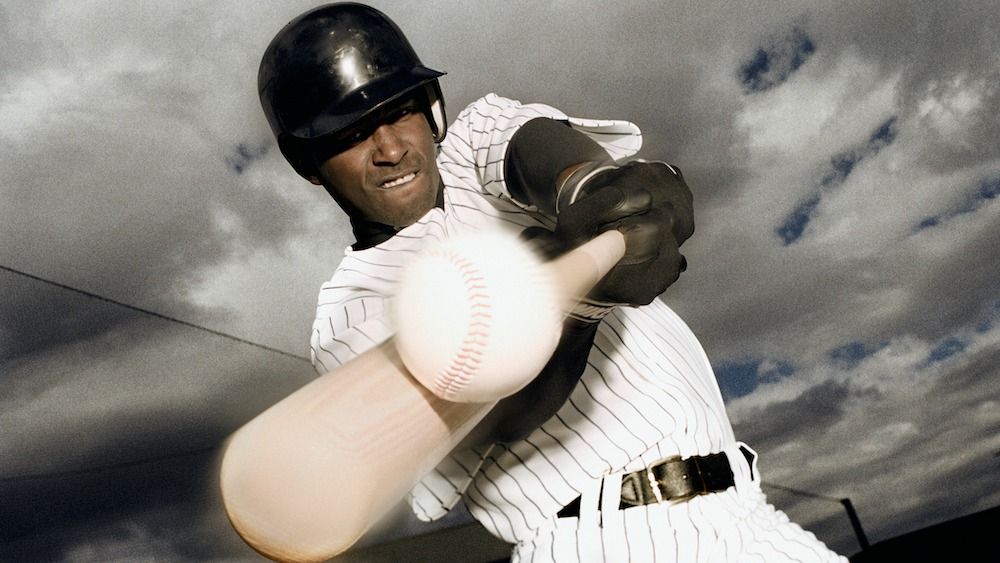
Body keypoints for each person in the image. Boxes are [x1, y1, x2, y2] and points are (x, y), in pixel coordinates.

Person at [257, 3, 847, 561]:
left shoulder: (469, 145)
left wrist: (600, 194)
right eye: (351, 135)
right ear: (308, 163)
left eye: (397, 113)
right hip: (607, 539)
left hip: (749, 513)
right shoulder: (348, 314)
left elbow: (538, 152)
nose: (388, 149)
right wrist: (577, 304)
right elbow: (485, 414)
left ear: (431, 108)